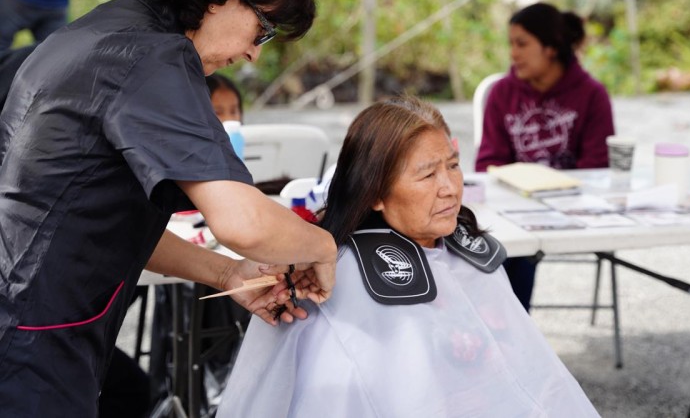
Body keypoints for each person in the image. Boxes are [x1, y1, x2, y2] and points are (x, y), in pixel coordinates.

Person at [0, 0, 337, 416]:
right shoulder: (154, 57)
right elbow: (243, 223)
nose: (252, 53)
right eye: (262, 29)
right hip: (31, 346)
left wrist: (228, 273)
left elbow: (102, 219)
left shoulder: (95, 31)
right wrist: (326, 247)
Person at [218, 96, 599, 417]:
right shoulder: (336, 274)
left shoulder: (466, 252)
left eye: (453, 166)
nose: (450, 188)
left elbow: (528, 375)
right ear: (375, 193)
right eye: (427, 175)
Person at [475, 2, 614, 310]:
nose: (513, 53)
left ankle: (511, 328)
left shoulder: (592, 94)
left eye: (522, 44)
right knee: (506, 248)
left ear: (551, 47)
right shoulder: (501, 93)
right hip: (514, 207)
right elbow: (487, 163)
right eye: (511, 44)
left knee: (516, 249)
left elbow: (597, 166)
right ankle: (509, 328)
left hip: (573, 208)